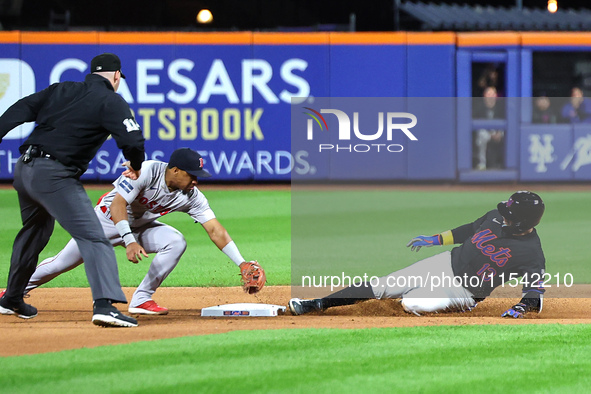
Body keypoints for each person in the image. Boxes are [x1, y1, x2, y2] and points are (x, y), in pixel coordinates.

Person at [10, 148, 259, 315]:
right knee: (60, 264)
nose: (196, 181)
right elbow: (119, 205)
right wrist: (128, 240)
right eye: (192, 175)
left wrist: (241, 263)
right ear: (175, 170)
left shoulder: (192, 196)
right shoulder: (147, 170)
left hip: (140, 228)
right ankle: (13, 292)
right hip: (104, 222)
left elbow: (215, 230)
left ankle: (142, 298)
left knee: (175, 241)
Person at [0, 53, 145, 327]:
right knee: (93, 237)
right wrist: (136, 165)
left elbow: (21, 107)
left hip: (24, 168)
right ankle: (105, 305)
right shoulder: (110, 100)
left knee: (34, 231)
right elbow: (132, 140)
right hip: (54, 174)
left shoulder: (62, 88)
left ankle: (12, 298)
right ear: (116, 76)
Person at [289, 191, 546, 319]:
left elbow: (535, 293)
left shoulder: (531, 253)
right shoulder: (494, 216)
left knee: (412, 303)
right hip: (443, 263)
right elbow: (468, 230)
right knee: (383, 285)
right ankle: (318, 303)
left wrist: (522, 306)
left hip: (462, 294)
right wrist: (435, 239)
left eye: (510, 215)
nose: (503, 215)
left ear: (524, 222)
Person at [472, 86, 505, 170]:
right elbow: (477, 123)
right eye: (488, 94)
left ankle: (503, 163)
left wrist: (498, 133)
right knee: (481, 136)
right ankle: (481, 163)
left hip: (498, 131)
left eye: (492, 94)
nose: (490, 96)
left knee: (505, 134)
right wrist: (491, 134)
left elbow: (505, 121)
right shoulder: (479, 107)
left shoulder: (501, 107)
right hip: (485, 131)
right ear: (484, 96)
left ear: (496, 96)